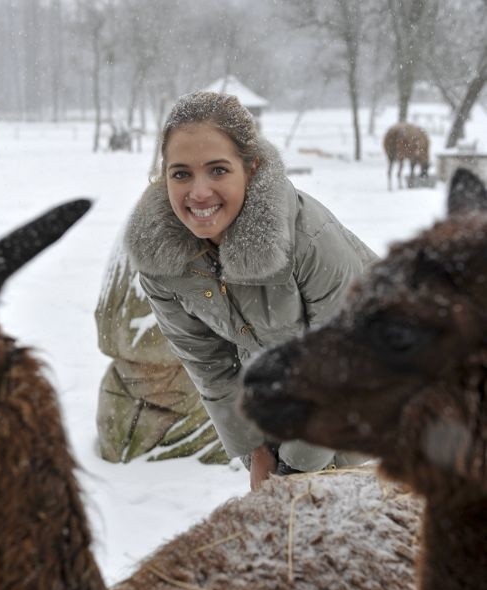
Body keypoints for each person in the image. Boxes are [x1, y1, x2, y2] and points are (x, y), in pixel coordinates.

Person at [108, 91, 376, 490]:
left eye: (218, 170)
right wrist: (257, 448)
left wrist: (295, 469)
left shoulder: (306, 240)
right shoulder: (162, 263)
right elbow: (210, 367)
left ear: (250, 169)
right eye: (181, 173)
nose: (198, 193)